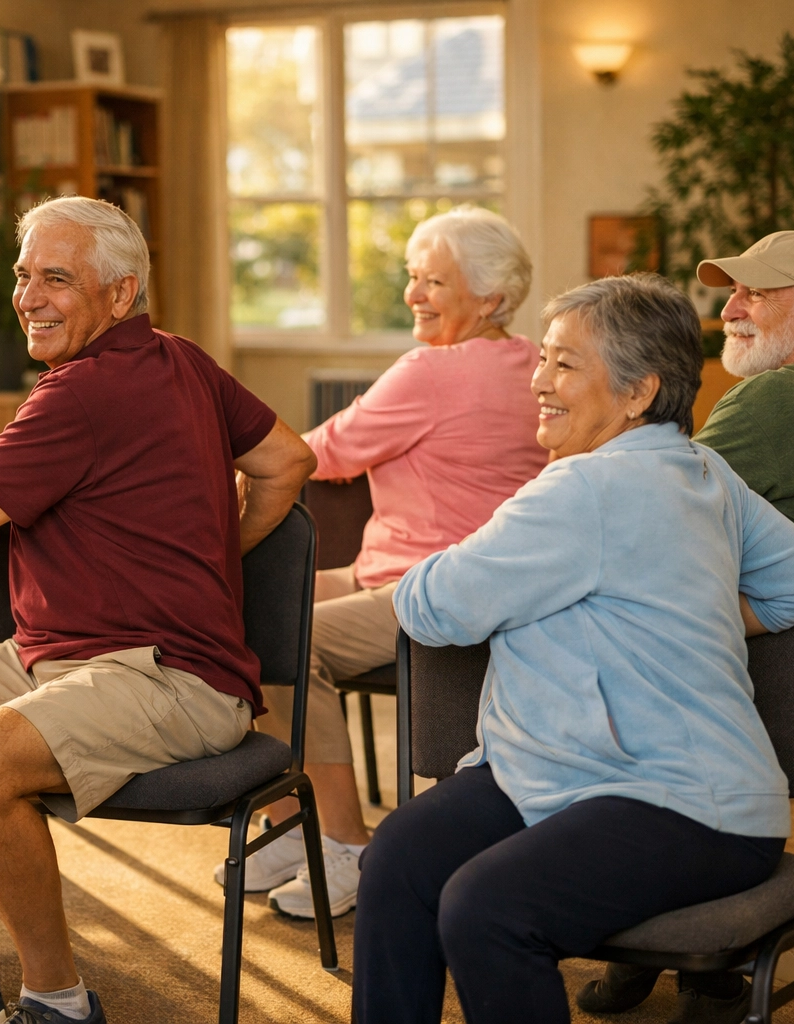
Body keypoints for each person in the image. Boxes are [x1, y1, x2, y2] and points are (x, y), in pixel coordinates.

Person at [352, 274, 794, 1024]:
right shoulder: (703, 468)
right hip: (567, 775)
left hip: (687, 805)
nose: (539, 382)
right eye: (543, 359)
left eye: (565, 365)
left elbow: (430, 608)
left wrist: (679, 605)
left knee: (485, 908)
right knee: (401, 856)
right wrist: (683, 604)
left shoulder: (579, 491)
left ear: (639, 392)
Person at [0, 196, 315, 1024]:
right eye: (24, 276)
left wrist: (213, 560)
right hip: (58, 658)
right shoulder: (180, 358)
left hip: (168, 680)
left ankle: (58, 1003)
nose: (29, 297)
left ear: (120, 295)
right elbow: (286, 461)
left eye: (57, 279)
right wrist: (221, 557)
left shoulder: (79, 394)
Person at [582, 233, 794, 1021]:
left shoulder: (778, 398)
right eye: (732, 293)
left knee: (615, 703)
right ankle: (664, 943)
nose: (729, 309)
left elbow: (648, 503)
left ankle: (699, 957)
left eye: (755, 295)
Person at [231, 206, 548, 920]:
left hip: (430, 585)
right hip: (460, 579)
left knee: (286, 638)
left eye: (433, 281)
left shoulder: (432, 372)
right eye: (412, 276)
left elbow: (318, 451)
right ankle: (292, 820)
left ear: (490, 299)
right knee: (246, 606)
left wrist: (221, 469)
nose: (412, 294)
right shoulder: (532, 363)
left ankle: (345, 844)